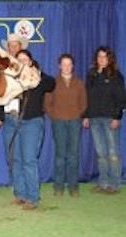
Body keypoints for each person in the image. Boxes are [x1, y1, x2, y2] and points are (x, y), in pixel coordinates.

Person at [0, 50, 55, 210]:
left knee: (29, 160)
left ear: (30, 62)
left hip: (31, 122)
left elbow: (52, 84)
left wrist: (37, 73)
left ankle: (33, 197)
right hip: (11, 121)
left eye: (25, 59)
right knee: (15, 159)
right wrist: (0, 117)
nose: (21, 61)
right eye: (19, 59)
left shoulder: (37, 78)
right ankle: (20, 194)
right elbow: (2, 99)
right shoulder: (9, 77)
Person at [83, 46, 126, 194]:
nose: (101, 59)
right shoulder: (91, 75)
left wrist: (117, 117)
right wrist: (86, 115)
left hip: (109, 118)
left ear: (110, 58)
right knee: (101, 153)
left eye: (104, 56)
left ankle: (114, 185)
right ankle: (103, 182)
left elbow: (121, 99)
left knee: (113, 153)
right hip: (94, 118)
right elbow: (87, 97)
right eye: (99, 56)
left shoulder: (116, 76)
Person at [44, 54, 87, 197]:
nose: (66, 67)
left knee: (73, 155)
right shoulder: (53, 82)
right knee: (60, 155)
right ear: (59, 66)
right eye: (64, 64)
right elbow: (47, 104)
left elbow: (84, 102)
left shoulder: (79, 83)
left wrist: (77, 114)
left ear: (73, 66)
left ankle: (73, 187)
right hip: (59, 122)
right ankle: (58, 187)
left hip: (75, 121)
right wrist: (54, 116)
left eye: (69, 64)